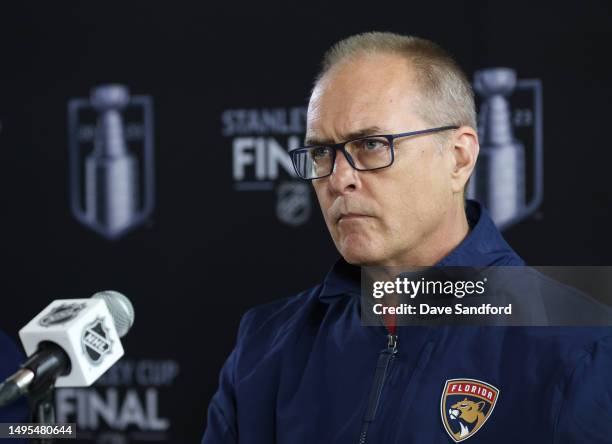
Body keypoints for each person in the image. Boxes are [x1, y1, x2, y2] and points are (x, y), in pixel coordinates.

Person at [201, 32, 612, 443]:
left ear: (459, 157)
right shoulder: (265, 344)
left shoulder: (580, 349)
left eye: (372, 144)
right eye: (322, 152)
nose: (340, 179)